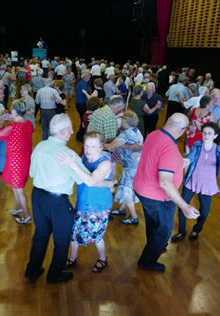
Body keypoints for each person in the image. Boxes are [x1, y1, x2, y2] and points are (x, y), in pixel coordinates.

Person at [25, 114, 88, 283]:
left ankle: (33, 270)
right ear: (62, 131)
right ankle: (54, 274)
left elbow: (31, 173)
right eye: (69, 129)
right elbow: (84, 179)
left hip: (37, 196)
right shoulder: (67, 154)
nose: (73, 131)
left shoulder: (40, 146)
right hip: (58, 202)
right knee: (62, 239)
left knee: (41, 234)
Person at [133, 113, 200, 272]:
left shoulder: (155, 134)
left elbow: (156, 157)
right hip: (157, 196)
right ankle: (147, 261)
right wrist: (184, 206)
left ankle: (154, 246)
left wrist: (178, 164)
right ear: (182, 129)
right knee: (164, 229)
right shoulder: (169, 147)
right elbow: (165, 182)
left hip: (142, 187)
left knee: (153, 222)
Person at [171, 122, 220, 242]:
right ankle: (182, 231)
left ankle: (196, 229)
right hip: (192, 180)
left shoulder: (218, 150)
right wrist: (187, 161)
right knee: (183, 206)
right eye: (204, 133)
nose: (206, 135)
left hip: (207, 184)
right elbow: (191, 156)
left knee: (205, 210)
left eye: (209, 133)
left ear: (215, 136)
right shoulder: (197, 145)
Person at [60, 132, 112, 273]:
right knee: (74, 232)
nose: (89, 150)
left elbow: (90, 181)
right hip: (83, 201)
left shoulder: (105, 163)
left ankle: (103, 258)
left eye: (94, 147)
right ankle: (73, 257)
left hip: (98, 206)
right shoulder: (84, 157)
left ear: (101, 147)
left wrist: (73, 165)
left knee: (96, 236)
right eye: (87, 145)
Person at [106, 111, 144, 224]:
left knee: (127, 190)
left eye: (122, 119)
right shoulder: (137, 131)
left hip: (131, 167)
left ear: (126, 121)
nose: (120, 121)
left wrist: (102, 143)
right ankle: (122, 210)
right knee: (124, 185)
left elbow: (111, 147)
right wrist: (129, 147)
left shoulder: (125, 134)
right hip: (135, 164)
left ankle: (134, 217)